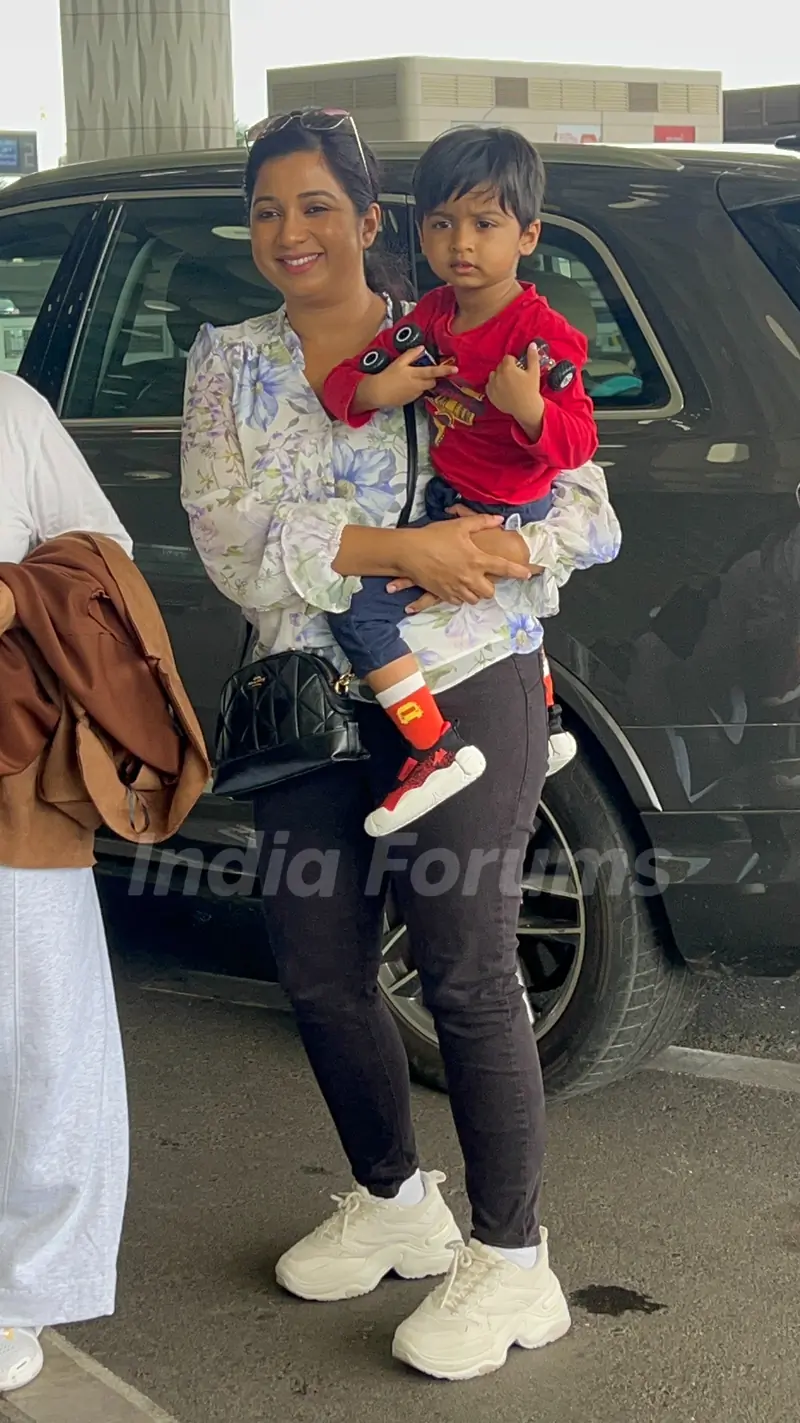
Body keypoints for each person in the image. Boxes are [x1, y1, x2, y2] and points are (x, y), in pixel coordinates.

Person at [181, 108, 621, 1382]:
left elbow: (584, 510)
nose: (290, 232)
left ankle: (513, 1259)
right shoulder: (230, 364)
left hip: (468, 673)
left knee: (464, 968)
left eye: (317, 205)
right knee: (320, 969)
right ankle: (392, 1201)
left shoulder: (457, 327)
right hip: (309, 694)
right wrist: (399, 548)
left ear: (371, 221)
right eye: (266, 211)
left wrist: (495, 548)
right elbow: (230, 541)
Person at [322, 127, 596, 836]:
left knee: (359, 611)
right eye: (442, 223)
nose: (461, 243)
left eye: (484, 224)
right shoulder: (432, 317)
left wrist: (529, 409)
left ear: (528, 236)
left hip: (509, 508)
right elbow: (345, 382)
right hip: (457, 498)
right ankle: (546, 723)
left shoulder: (541, 337)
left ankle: (433, 749)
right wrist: (377, 391)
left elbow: (579, 443)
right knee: (510, 611)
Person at [0, 371, 131, 1393]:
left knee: (41, 1020)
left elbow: (105, 557)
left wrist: (13, 593)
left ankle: (26, 1282)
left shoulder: (9, 409)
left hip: (11, 761)